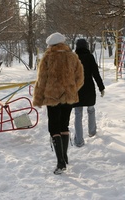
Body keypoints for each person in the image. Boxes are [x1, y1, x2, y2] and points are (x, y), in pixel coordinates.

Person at [32, 32, 84, 175]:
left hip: (52, 97)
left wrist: (38, 97)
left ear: (51, 45)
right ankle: (64, 156)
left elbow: (42, 79)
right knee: (64, 125)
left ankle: (60, 162)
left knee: (53, 127)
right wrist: (71, 89)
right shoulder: (72, 56)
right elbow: (80, 77)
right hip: (68, 97)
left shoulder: (48, 57)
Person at [73, 39, 105, 147]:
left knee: (78, 114)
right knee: (91, 110)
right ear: (86, 46)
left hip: (76, 90)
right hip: (89, 89)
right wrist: (101, 87)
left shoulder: (73, 58)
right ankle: (92, 132)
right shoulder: (90, 57)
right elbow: (96, 73)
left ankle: (79, 141)